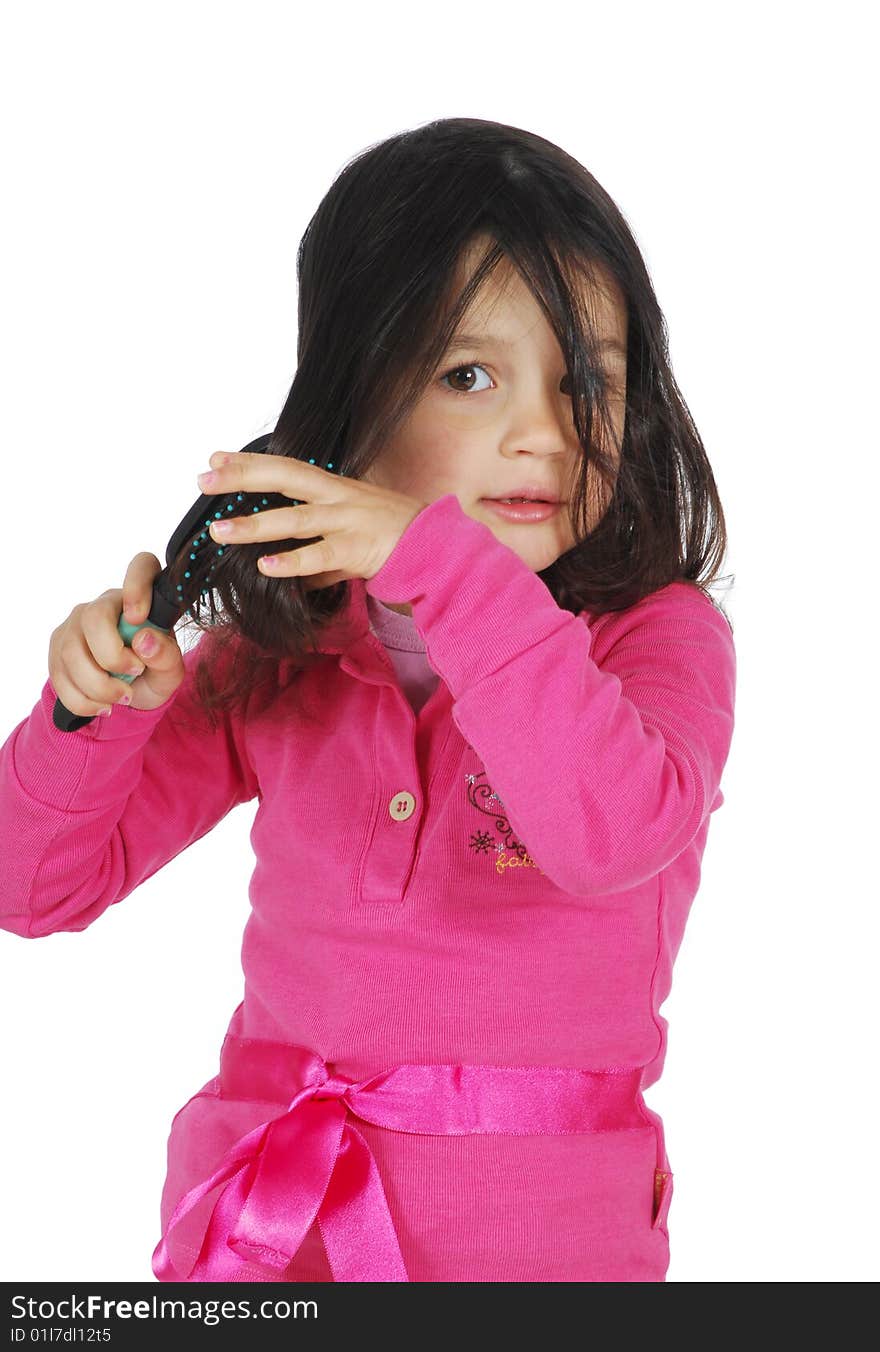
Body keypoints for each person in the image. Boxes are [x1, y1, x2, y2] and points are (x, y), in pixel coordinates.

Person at [0, 116, 736, 1283]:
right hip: (268, 1239)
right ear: (353, 402)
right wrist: (96, 712)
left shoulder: (656, 638)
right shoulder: (273, 655)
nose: (544, 429)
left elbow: (613, 830)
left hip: (544, 1253)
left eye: (585, 375)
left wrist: (445, 569)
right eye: (469, 373)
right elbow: (31, 887)